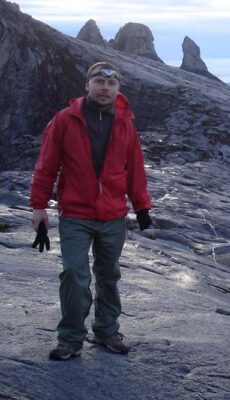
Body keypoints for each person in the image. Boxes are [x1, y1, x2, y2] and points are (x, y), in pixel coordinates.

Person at [29, 62, 152, 361]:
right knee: (74, 274)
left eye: (111, 84)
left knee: (108, 275)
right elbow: (46, 165)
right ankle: (70, 339)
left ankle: (106, 331)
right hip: (76, 214)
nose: (105, 88)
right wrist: (39, 207)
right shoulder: (65, 120)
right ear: (87, 85)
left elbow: (135, 169)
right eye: (99, 82)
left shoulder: (125, 123)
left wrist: (142, 206)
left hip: (112, 215)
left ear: (117, 89)